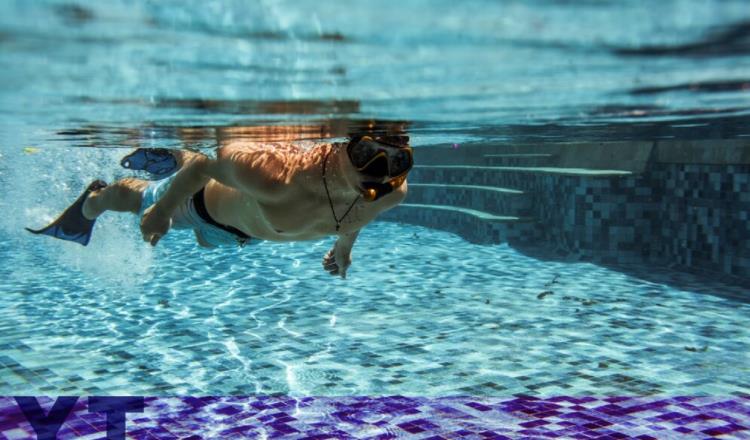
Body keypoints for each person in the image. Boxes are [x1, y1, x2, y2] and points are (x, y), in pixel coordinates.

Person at [26, 135, 413, 278]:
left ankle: (177, 156)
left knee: (206, 244)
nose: (378, 171)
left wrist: (343, 251)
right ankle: (92, 201)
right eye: (366, 154)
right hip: (201, 206)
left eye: (396, 162)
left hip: (246, 232)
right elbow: (209, 163)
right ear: (341, 145)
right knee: (137, 199)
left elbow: (356, 214)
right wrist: (162, 212)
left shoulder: (391, 192)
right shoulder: (277, 176)